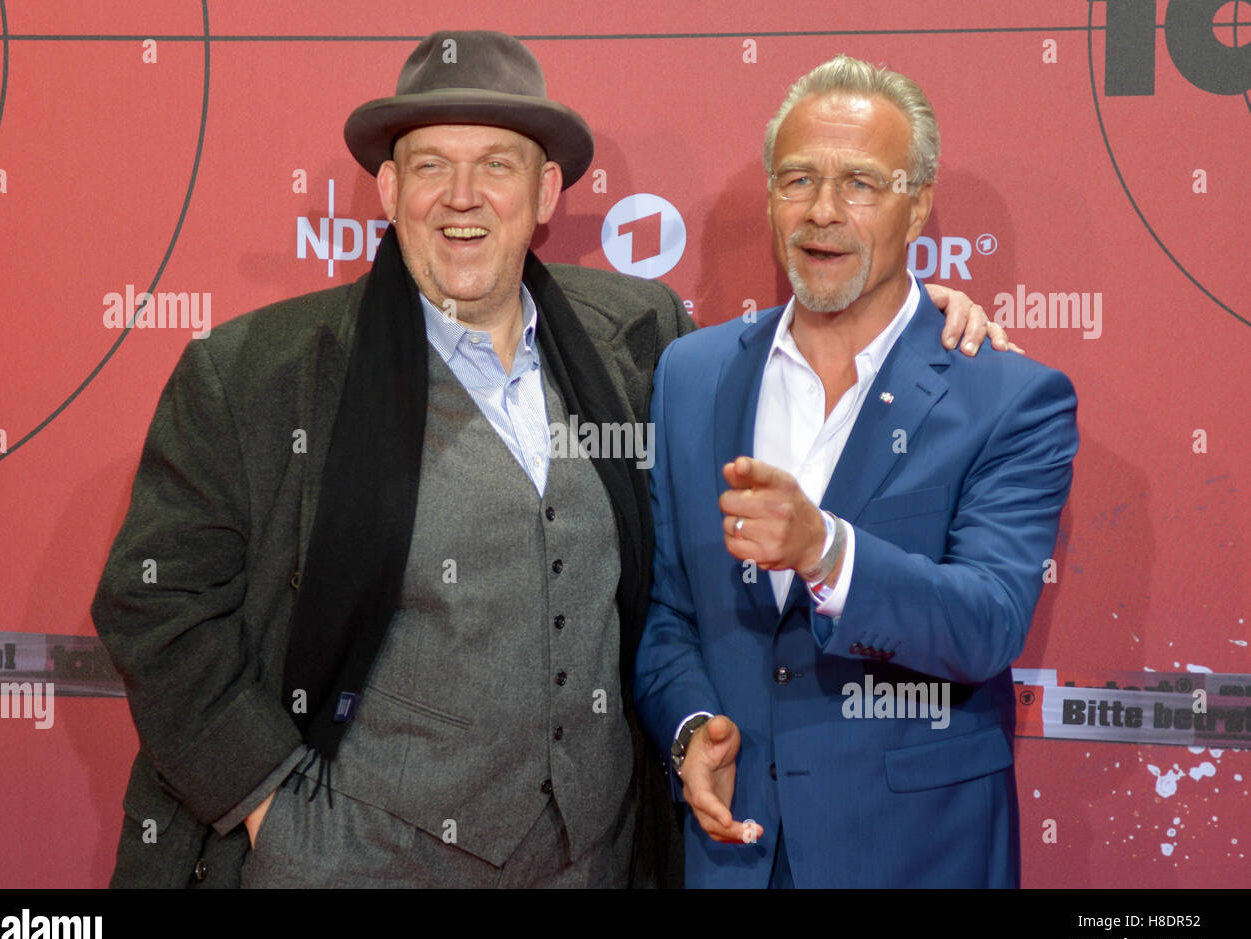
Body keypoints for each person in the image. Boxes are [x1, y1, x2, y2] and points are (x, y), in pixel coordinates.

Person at [92, 33, 1008, 888]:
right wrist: (270, 810)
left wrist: (914, 323)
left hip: (597, 861)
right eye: (429, 167)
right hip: (349, 862)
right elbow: (151, 606)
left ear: (546, 193)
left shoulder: (639, 338)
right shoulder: (255, 374)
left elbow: (794, 354)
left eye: (496, 166)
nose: (462, 196)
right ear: (384, 192)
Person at [632, 53, 1078, 888]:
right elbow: (668, 614)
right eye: (798, 178)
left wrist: (826, 550)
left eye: (863, 183)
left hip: (917, 854)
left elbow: (986, 624)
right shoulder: (689, 375)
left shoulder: (1008, 397)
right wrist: (692, 729)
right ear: (770, 197)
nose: (823, 211)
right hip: (733, 853)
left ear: (918, 209)